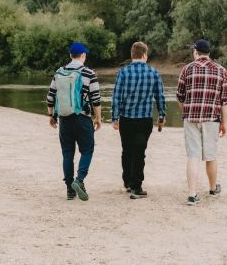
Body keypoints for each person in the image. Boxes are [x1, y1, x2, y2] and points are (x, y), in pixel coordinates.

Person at [176, 39, 227, 206]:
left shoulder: (187, 69)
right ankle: (213, 188)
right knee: (210, 156)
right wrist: (224, 123)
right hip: (212, 118)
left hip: (191, 118)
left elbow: (179, 96)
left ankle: (192, 195)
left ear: (195, 52)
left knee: (193, 156)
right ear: (209, 53)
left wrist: (186, 110)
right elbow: (225, 100)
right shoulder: (221, 71)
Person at [46, 42, 102, 201]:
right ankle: (79, 180)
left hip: (64, 119)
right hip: (82, 119)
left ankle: (70, 190)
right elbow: (95, 99)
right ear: (83, 55)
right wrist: (98, 118)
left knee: (67, 154)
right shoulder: (89, 73)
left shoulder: (59, 72)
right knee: (87, 150)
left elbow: (50, 97)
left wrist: (52, 116)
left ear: (70, 56)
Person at [111, 41, 167, 199]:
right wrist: (161, 116)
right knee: (139, 152)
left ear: (132, 55)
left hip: (126, 119)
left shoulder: (123, 72)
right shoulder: (153, 72)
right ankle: (136, 186)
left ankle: (128, 182)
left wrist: (114, 118)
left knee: (127, 150)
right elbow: (160, 97)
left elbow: (116, 97)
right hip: (144, 119)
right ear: (145, 55)